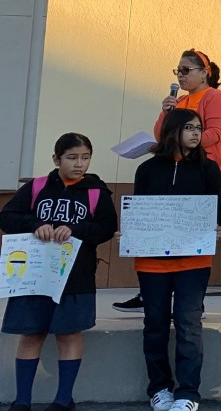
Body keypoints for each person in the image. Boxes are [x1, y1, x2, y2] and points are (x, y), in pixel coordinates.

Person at [1, 133, 117, 411]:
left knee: (68, 334)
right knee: (31, 333)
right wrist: (36, 225)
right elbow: (6, 217)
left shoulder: (96, 192)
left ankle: (64, 400)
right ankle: (22, 401)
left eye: (85, 158)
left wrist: (75, 230)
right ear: (56, 159)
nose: (79, 164)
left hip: (75, 278)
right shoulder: (37, 187)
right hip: (34, 277)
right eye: (72, 157)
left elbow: (105, 228)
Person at [115, 49, 221, 316]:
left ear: (205, 73)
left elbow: (214, 134)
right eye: (177, 70)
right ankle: (150, 293)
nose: (180, 75)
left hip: (200, 173)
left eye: (186, 70)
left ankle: (193, 302)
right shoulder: (177, 102)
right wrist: (165, 113)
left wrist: (184, 141)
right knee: (158, 232)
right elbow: (161, 135)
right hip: (170, 170)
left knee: (193, 238)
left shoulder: (216, 98)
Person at [132, 109, 221, 411]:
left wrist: (218, 227)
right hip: (151, 263)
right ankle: (159, 389)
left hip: (194, 263)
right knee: (155, 324)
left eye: (199, 128)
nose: (196, 133)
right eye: (189, 128)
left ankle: (188, 394)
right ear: (172, 131)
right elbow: (140, 210)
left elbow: (217, 210)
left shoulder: (208, 168)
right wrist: (133, 232)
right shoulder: (146, 169)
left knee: (188, 325)